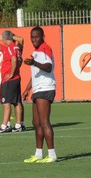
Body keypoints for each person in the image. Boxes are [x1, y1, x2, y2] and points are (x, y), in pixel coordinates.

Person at [22, 26, 57, 163]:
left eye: (37, 36)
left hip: (45, 87)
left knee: (44, 121)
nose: (34, 39)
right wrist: (27, 89)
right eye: (32, 37)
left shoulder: (45, 48)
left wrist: (34, 62)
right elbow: (36, 74)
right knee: (36, 122)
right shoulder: (36, 51)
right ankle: (38, 154)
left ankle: (52, 154)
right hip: (37, 88)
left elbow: (48, 67)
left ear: (42, 36)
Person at [0, 31, 25, 133]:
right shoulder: (16, 47)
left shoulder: (10, 47)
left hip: (9, 79)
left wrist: (11, 73)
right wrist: (10, 37)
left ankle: (4, 125)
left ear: (5, 39)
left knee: (6, 103)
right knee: (17, 102)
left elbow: (13, 59)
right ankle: (18, 125)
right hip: (16, 78)